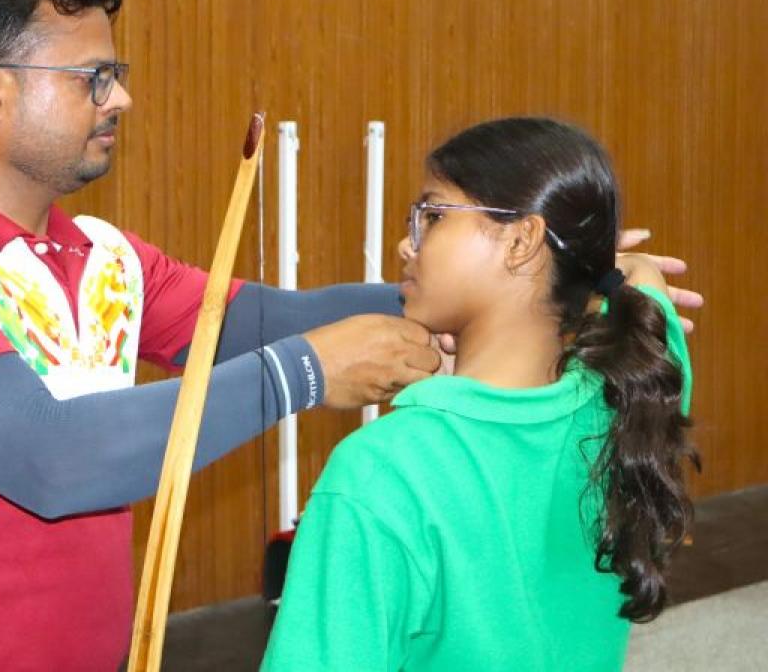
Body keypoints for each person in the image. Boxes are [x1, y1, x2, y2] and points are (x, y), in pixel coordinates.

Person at [0, 0, 444, 671]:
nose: (120, 98)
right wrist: (299, 374)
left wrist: (473, 294)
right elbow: (51, 459)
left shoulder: (105, 258)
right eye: (93, 76)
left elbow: (265, 322)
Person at [262, 117, 699, 671]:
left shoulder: (382, 470)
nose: (406, 242)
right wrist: (605, 266)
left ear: (521, 241)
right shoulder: (629, 399)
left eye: (434, 215)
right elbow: (647, 298)